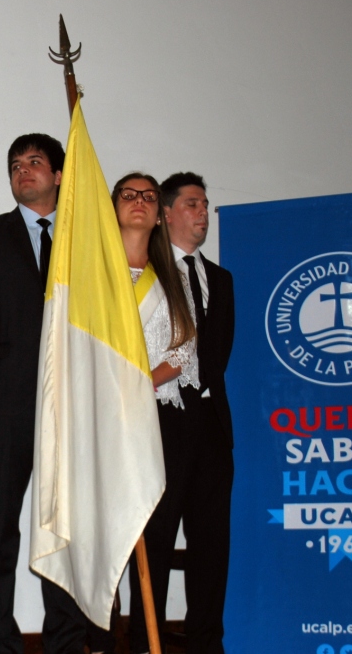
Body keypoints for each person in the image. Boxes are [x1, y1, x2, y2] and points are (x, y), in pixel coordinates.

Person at [0, 133, 74, 654]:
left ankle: (66, 640)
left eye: (34, 162)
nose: (22, 171)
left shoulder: (83, 236)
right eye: (14, 165)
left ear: (59, 175)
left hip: (69, 406)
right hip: (4, 405)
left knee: (64, 532)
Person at [131, 171, 234, 654]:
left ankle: (206, 642)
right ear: (166, 213)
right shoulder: (145, 274)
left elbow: (217, 356)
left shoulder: (222, 280)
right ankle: (142, 640)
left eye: (206, 205)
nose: (202, 213)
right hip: (161, 418)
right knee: (155, 536)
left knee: (211, 543)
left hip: (211, 423)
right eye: (192, 204)